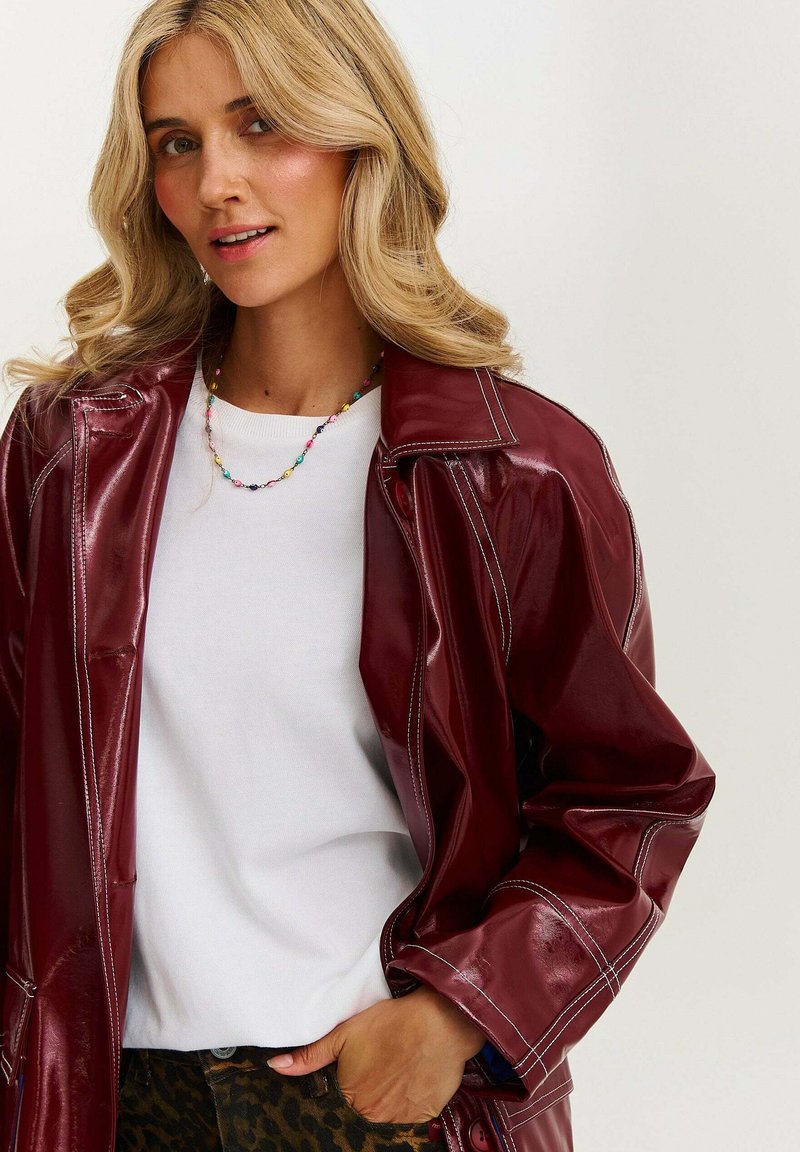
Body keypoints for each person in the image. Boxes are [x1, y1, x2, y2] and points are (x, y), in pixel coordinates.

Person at [0, 2, 716, 1151]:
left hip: (377, 1098)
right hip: (110, 1098)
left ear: (357, 137)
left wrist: (456, 1012)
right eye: (178, 142)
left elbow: (629, 796)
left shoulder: (510, 469)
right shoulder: (73, 454)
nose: (218, 182)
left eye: (261, 124)